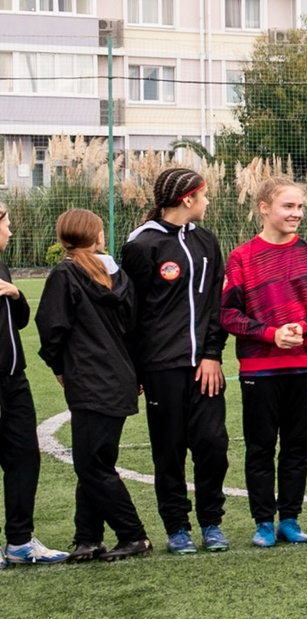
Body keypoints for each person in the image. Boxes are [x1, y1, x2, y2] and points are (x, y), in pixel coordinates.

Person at [221, 176, 307, 547]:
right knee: (260, 446)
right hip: (260, 367)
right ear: (264, 208)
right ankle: (262, 522)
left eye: (300, 207)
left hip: (306, 364)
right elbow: (228, 315)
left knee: (297, 445)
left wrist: (304, 327)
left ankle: (289, 518)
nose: (296, 213)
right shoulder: (242, 257)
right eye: (288, 206)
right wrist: (270, 334)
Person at [122, 165, 229, 554]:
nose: (208, 201)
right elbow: (130, 316)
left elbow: (217, 304)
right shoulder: (141, 245)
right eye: (204, 195)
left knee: (213, 445)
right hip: (161, 367)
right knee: (169, 449)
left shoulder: (207, 241)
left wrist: (213, 353)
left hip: (206, 366)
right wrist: (137, 368)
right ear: (188, 199)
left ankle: (211, 523)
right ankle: (177, 526)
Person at [38, 209, 149, 561]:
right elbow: (135, 329)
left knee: (91, 465)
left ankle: (134, 535)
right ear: (97, 236)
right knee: (96, 459)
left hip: (89, 379)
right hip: (118, 377)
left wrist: (59, 366)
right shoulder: (119, 277)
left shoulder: (64, 274)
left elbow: (52, 328)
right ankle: (88, 536)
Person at [0, 204, 55, 567]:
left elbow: (19, 323)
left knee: (24, 458)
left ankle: (20, 542)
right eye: (5, 223)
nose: (10, 231)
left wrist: (16, 294)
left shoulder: (2, 267)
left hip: (14, 382)